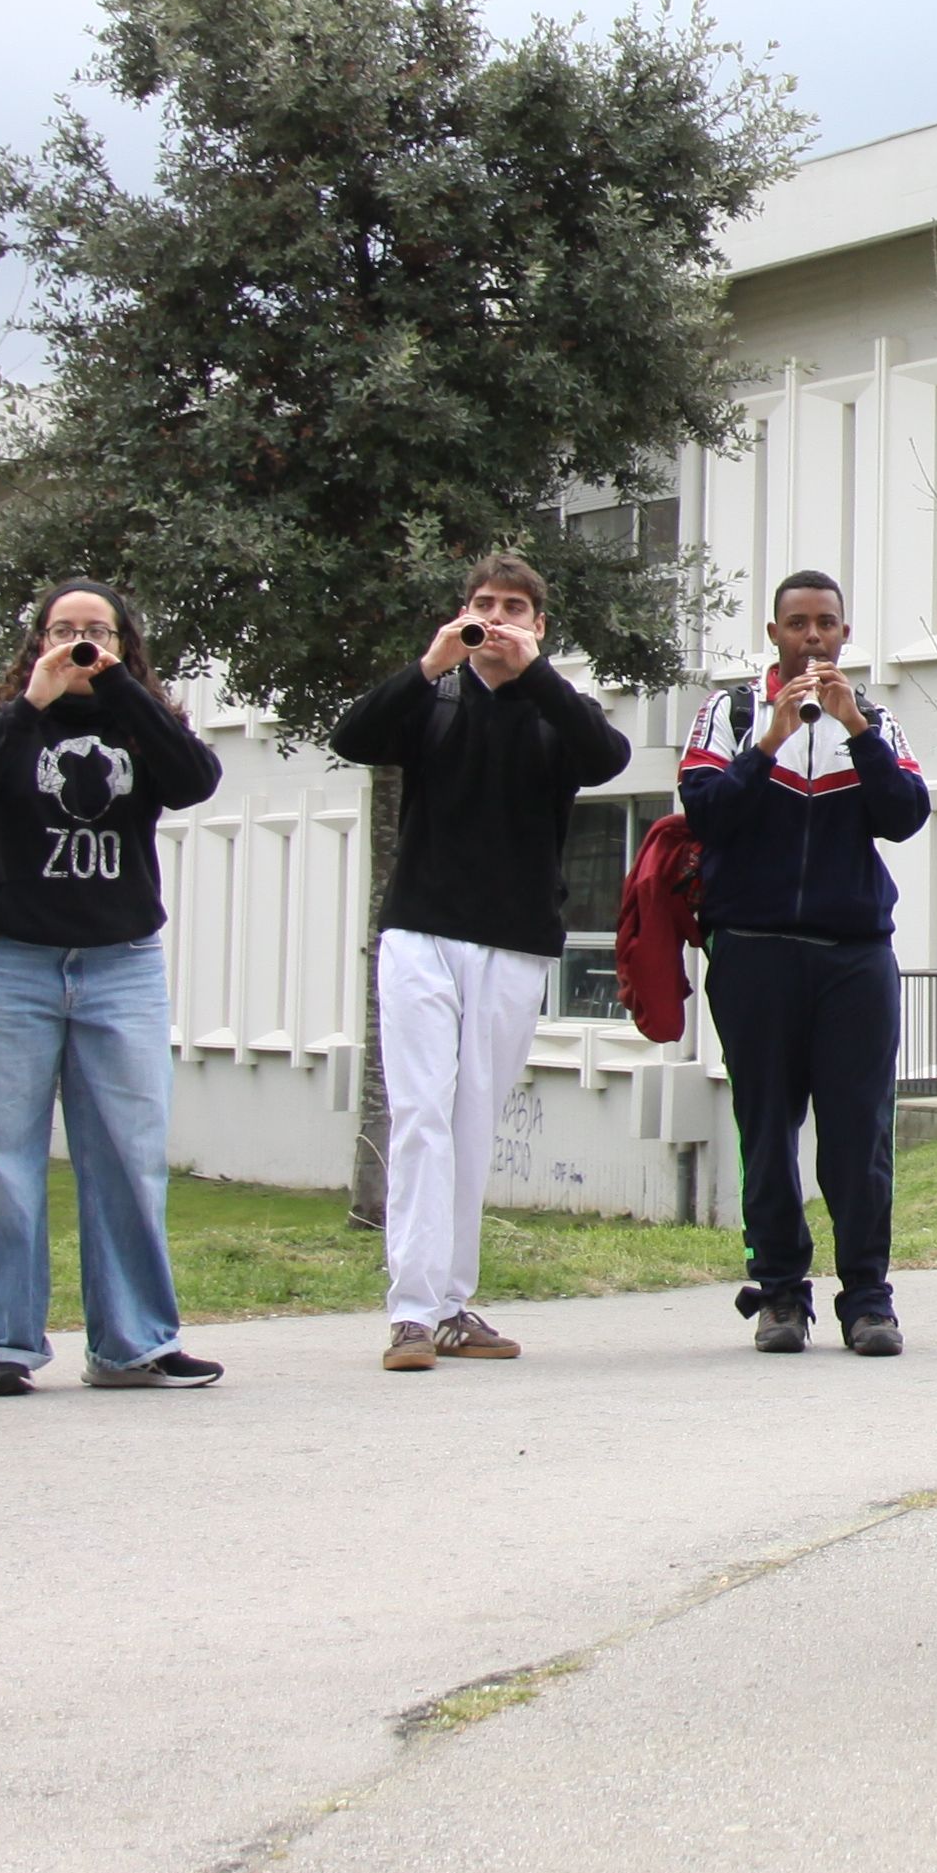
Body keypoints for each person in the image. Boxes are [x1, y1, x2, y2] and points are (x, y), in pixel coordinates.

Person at [332, 554, 638, 1372]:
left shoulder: (556, 711)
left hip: (513, 941)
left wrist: (534, 675)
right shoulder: (431, 703)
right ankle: (409, 1311)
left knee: (471, 1121)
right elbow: (352, 736)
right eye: (481, 605)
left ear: (540, 626)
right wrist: (433, 661)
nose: (495, 619)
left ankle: (453, 1305)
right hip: (420, 932)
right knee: (422, 1115)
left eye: (513, 608)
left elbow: (605, 756)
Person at [0, 576, 227, 1398]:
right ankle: (7, 1345)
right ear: (36, 643)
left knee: (130, 1158)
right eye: (62, 629)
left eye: (95, 629)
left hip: (118, 962)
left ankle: (134, 1344)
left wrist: (124, 692)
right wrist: (34, 702)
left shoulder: (141, 722)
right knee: (4, 1162)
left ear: (125, 643)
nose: (77, 641)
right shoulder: (0, 723)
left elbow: (195, 779)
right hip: (6, 961)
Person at [676, 569, 932, 1356]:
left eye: (826, 623)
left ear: (845, 636)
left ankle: (868, 1298)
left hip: (853, 955)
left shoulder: (877, 720)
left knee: (861, 1132)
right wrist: (769, 742)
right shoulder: (731, 714)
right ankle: (781, 1294)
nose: (813, 637)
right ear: (774, 633)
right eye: (798, 623)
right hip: (753, 951)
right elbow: (708, 814)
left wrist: (855, 729)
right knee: (766, 1128)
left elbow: (905, 817)